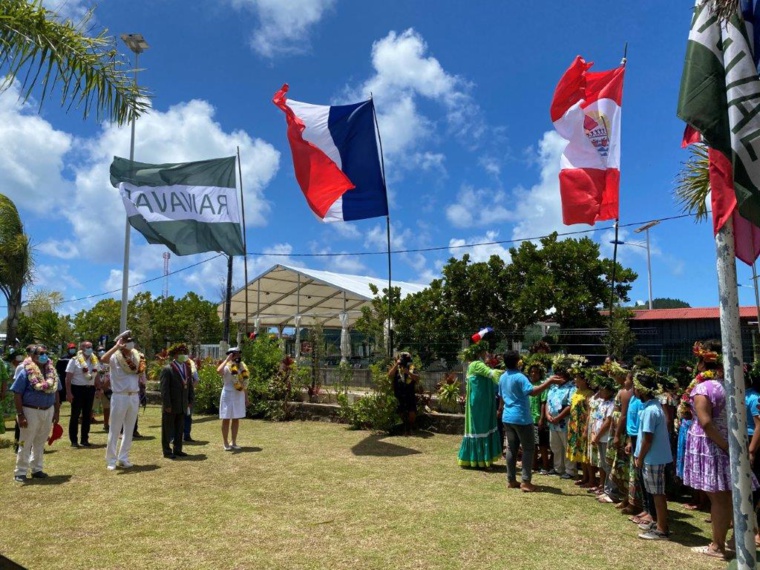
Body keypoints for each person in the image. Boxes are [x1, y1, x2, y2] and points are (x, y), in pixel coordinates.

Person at [683, 342, 747, 558]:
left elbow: (706, 422)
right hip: (727, 442)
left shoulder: (703, 389)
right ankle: (735, 540)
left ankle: (717, 546)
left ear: (702, 363)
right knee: (729, 495)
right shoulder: (730, 385)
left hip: (713, 446)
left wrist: (725, 446)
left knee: (719, 498)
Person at [499, 350, 560, 492]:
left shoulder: (503, 377)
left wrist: (501, 409)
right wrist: (549, 381)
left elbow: (501, 396)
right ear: (517, 362)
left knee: (511, 449)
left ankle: (511, 480)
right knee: (528, 448)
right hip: (521, 418)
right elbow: (533, 392)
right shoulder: (520, 377)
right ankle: (526, 482)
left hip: (507, 417)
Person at [10, 345, 60, 482]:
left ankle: (37, 469)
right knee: (26, 441)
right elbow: (17, 393)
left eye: (46, 353)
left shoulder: (52, 372)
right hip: (30, 410)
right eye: (41, 353)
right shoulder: (26, 371)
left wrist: (57, 411)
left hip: (48, 410)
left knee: (40, 441)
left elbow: (56, 392)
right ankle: (20, 471)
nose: (44, 355)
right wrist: (20, 414)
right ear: (34, 356)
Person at [633, 370, 673, 541]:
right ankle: (657, 522)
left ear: (641, 390)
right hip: (654, 457)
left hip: (652, 458)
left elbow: (648, 439)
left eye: (635, 388)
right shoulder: (653, 406)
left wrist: (640, 458)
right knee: (654, 492)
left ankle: (662, 529)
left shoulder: (650, 410)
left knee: (657, 493)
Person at [101, 333, 145, 470]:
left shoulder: (137, 356)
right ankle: (111, 460)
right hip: (120, 395)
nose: (131, 343)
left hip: (133, 395)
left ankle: (123, 457)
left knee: (129, 429)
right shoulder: (115, 357)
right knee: (115, 429)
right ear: (121, 342)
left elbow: (140, 373)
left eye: (132, 340)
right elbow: (103, 359)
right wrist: (115, 347)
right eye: (127, 341)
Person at [457, 342, 503, 468]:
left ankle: (480, 458)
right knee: (481, 428)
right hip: (480, 404)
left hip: (482, 402)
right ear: (479, 354)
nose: (488, 354)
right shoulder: (477, 364)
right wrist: (509, 372)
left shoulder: (477, 365)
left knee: (483, 427)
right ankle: (480, 460)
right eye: (485, 352)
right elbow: (493, 374)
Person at [160, 343, 194, 459]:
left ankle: (178, 449)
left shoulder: (187, 368)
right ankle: (167, 451)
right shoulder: (168, 369)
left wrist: (190, 399)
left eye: (184, 353)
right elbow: (164, 389)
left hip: (183, 403)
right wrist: (167, 404)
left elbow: (189, 386)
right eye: (180, 353)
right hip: (171, 404)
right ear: (174, 355)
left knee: (180, 428)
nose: (183, 355)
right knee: (167, 429)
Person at [544, 358, 577, 479]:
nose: (557, 375)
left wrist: (558, 417)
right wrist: (548, 415)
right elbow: (548, 401)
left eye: (560, 373)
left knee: (566, 445)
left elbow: (570, 405)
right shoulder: (553, 387)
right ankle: (558, 468)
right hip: (552, 422)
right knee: (555, 445)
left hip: (564, 421)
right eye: (556, 373)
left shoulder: (571, 388)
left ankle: (570, 470)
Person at [65, 340, 100, 448]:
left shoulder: (95, 360)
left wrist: (99, 388)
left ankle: (84, 439)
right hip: (77, 389)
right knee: (75, 415)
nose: (90, 348)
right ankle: (74, 440)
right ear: (82, 349)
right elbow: (68, 378)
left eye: (91, 346)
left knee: (87, 415)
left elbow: (96, 375)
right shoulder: (74, 360)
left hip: (90, 389)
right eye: (87, 347)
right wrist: (69, 393)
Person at [567, 364, 594, 487]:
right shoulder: (576, 391)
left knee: (586, 454)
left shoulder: (589, 394)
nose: (574, 379)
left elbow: (589, 412)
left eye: (577, 377)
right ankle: (584, 477)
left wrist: (586, 429)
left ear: (584, 380)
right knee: (579, 453)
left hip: (583, 426)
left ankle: (591, 479)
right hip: (574, 426)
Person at [217, 347, 249, 450]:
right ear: (230, 355)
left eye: (238, 354)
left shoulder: (242, 366)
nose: (237, 356)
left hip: (239, 394)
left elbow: (245, 383)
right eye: (234, 354)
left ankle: (233, 442)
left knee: (236, 418)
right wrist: (227, 360)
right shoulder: (226, 366)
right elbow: (219, 371)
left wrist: (246, 398)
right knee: (226, 418)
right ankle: (225, 443)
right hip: (228, 394)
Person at [526, 362, 551, 474]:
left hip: (537, 419)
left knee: (542, 444)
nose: (533, 374)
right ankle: (534, 465)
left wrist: (542, 418)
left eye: (536, 372)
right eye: (531, 372)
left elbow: (543, 402)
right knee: (532, 444)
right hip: (528, 418)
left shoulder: (542, 385)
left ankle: (546, 466)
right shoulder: (528, 384)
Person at [388, 352, 420, 435]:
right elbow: (390, 375)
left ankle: (410, 427)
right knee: (400, 411)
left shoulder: (412, 367)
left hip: (409, 393)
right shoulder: (397, 368)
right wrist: (396, 364)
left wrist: (408, 372)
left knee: (412, 412)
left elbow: (417, 378)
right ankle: (405, 427)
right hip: (399, 393)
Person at [183, 355, 200, 442]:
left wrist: (188, 388)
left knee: (188, 416)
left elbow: (196, 380)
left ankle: (186, 435)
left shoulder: (191, 366)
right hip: (179, 395)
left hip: (188, 395)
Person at [95, 345, 111, 431]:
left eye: (103, 350)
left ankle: (106, 424)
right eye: (100, 350)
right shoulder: (94, 362)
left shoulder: (109, 362)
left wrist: (105, 386)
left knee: (107, 407)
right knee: (91, 406)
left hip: (107, 388)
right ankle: (88, 421)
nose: (102, 351)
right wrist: (98, 386)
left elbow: (111, 375)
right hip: (96, 388)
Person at [56, 342, 76, 408]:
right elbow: (58, 368)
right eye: (71, 348)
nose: (72, 349)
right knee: (61, 394)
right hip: (63, 378)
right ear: (68, 349)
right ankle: (58, 408)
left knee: (75, 396)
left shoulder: (77, 358)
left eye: (73, 348)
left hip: (74, 379)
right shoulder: (63, 358)